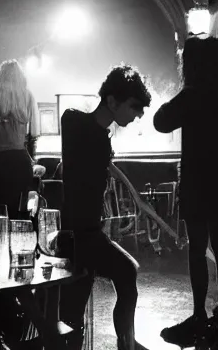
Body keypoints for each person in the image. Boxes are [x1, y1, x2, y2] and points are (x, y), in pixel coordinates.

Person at [153, 35, 218, 349]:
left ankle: (198, 315)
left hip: (195, 179)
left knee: (197, 250)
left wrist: (184, 93)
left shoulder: (191, 95)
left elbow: (160, 121)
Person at [58, 64, 152, 350]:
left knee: (79, 303)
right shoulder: (76, 124)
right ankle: (127, 345)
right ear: (111, 101)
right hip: (79, 235)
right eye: (134, 106)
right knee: (125, 273)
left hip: (87, 232)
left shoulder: (98, 137)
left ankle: (126, 343)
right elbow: (73, 126)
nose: (137, 115)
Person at [0, 59, 40, 219]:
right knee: (24, 206)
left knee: (3, 204)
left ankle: (3, 235)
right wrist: (32, 159)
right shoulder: (27, 95)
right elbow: (34, 134)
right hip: (20, 157)